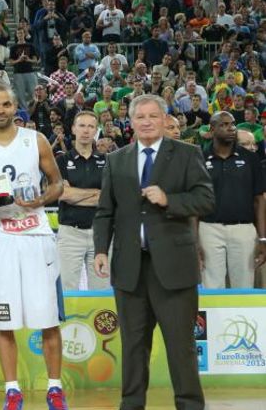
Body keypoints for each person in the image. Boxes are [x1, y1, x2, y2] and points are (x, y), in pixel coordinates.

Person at [93, 94, 212, 410]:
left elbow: (205, 198)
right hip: (130, 270)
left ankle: (190, 405)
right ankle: (131, 405)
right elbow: (105, 211)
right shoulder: (116, 159)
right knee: (132, 347)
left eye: (152, 116)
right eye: (140, 117)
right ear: (130, 123)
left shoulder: (188, 154)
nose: (146, 121)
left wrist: (169, 200)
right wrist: (100, 250)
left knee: (181, 347)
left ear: (164, 119)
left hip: (174, 269)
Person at [0, 85, 67, 410]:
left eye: (7, 104)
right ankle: (12, 391)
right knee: (3, 319)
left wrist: (41, 199)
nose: (1, 109)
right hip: (0, 237)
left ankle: (54, 388)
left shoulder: (35, 140)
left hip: (35, 234)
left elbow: (58, 182)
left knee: (48, 317)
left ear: (15, 106)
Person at [197, 111, 266, 289]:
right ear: (212, 130)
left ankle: (241, 319)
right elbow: (194, 203)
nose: (231, 128)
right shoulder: (199, 159)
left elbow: (259, 200)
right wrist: (195, 240)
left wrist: (263, 238)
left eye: (233, 124)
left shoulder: (250, 158)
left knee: (244, 286)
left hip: (243, 229)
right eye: (224, 124)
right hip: (209, 229)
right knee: (212, 287)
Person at [56, 111, 108, 290]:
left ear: (96, 131)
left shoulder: (107, 161)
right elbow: (63, 195)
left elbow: (109, 198)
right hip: (70, 233)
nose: (86, 131)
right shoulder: (61, 160)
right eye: (82, 126)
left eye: (91, 126)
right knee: (66, 289)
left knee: (101, 292)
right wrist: (97, 193)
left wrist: (75, 194)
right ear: (73, 129)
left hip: (101, 234)